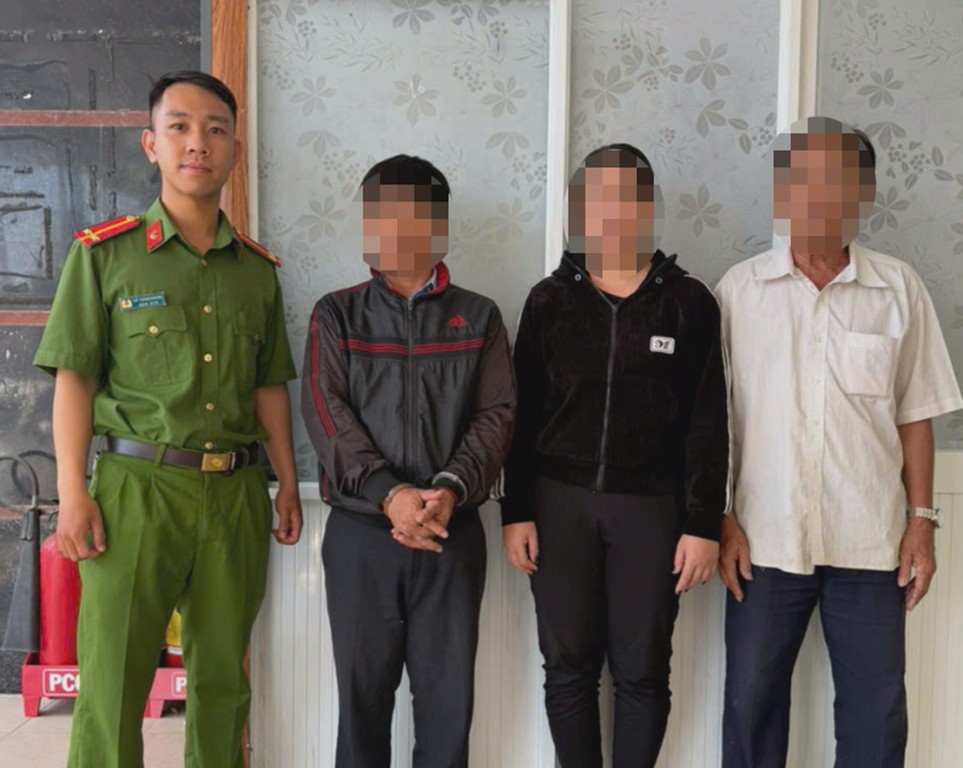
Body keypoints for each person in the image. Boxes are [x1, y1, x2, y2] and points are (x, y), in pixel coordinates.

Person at [33, 70, 303, 767]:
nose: (197, 144)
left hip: (234, 496)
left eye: (215, 130)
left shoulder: (257, 272)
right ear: (151, 144)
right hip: (135, 491)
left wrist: (286, 481)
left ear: (234, 150)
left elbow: (268, 385)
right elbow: (74, 379)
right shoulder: (105, 255)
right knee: (113, 680)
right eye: (179, 127)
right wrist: (71, 492)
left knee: (222, 684)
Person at [716, 116, 963, 768]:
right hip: (764, 540)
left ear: (863, 194)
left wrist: (921, 521)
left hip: (870, 541)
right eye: (802, 180)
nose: (817, 195)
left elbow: (915, 413)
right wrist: (722, 517)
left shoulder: (898, 289)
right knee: (749, 705)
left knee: (876, 714)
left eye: (836, 181)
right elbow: (714, 424)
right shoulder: (739, 292)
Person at [501, 143, 729, 768]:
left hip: (652, 510)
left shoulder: (688, 303)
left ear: (648, 208)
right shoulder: (549, 300)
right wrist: (516, 512)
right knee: (567, 665)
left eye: (627, 199)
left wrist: (703, 524)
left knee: (643, 668)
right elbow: (522, 416)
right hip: (558, 504)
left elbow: (708, 423)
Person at [301, 154, 516, 767]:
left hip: (451, 532)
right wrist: (390, 493)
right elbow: (325, 413)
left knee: (447, 710)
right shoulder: (336, 313)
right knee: (362, 704)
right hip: (362, 534)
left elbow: (497, 415)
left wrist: (447, 489)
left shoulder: (479, 316)